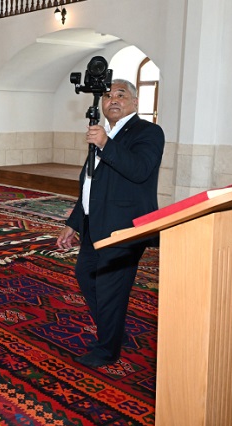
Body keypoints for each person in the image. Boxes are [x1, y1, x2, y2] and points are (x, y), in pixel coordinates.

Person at [56, 79, 164, 368]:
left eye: (121, 95)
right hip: (95, 225)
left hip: (124, 228)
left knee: (109, 289)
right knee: (86, 276)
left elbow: (140, 170)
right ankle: (113, 330)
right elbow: (90, 184)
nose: (113, 100)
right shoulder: (104, 133)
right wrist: (73, 223)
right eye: (107, 96)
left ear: (135, 102)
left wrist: (105, 143)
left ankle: (107, 350)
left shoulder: (148, 132)